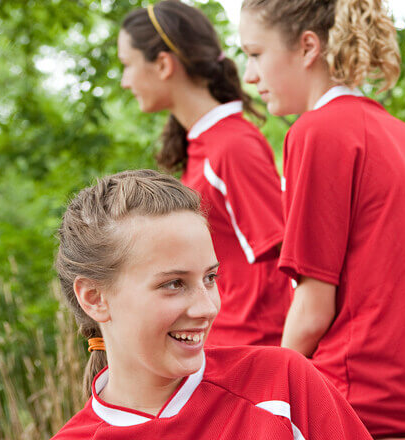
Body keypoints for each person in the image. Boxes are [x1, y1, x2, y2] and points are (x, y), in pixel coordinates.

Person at [22, 170, 405, 440]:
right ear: (94, 298)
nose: (207, 307)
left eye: (210, 277)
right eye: (174, 284)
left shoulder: (283, 385)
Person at [238, 0, 405, 437]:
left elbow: (312, 311)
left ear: (307, 48)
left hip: (361, 399)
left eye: (255, 54)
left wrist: (267, 397)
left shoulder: (317, 132)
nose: (250, 76)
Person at [118, 0, 290, 347]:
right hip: (218, 351)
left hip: (252, 358)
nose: (125, 81)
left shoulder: (232, 146)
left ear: (163, 64)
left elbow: (289, 264)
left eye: (127, 65)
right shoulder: (202, 145)